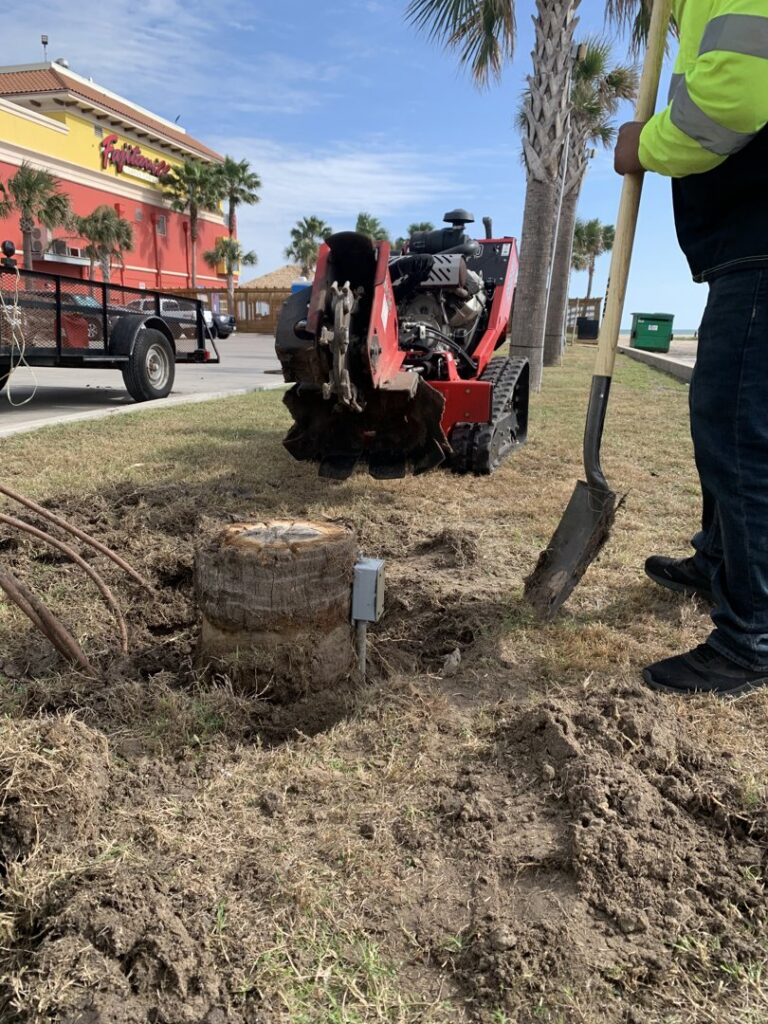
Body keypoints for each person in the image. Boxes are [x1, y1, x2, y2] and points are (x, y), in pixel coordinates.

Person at [614, 0, 768, 698]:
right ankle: (717, 563)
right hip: (741, 247)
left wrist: (643, 145)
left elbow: (734, 98)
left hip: (761, 244)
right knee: (726, 423)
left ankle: (751, 637)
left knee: (739, 435)